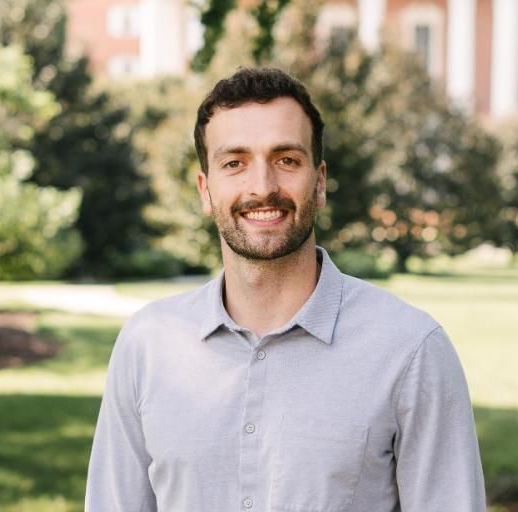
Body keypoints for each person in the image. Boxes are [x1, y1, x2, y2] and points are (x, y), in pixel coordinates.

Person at [85, 67, 485, 512]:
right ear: (205, 189)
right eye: (234, 163)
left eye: (286, 160)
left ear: (319, 183)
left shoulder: (411, 349)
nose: (262, 187)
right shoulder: (147, 345)